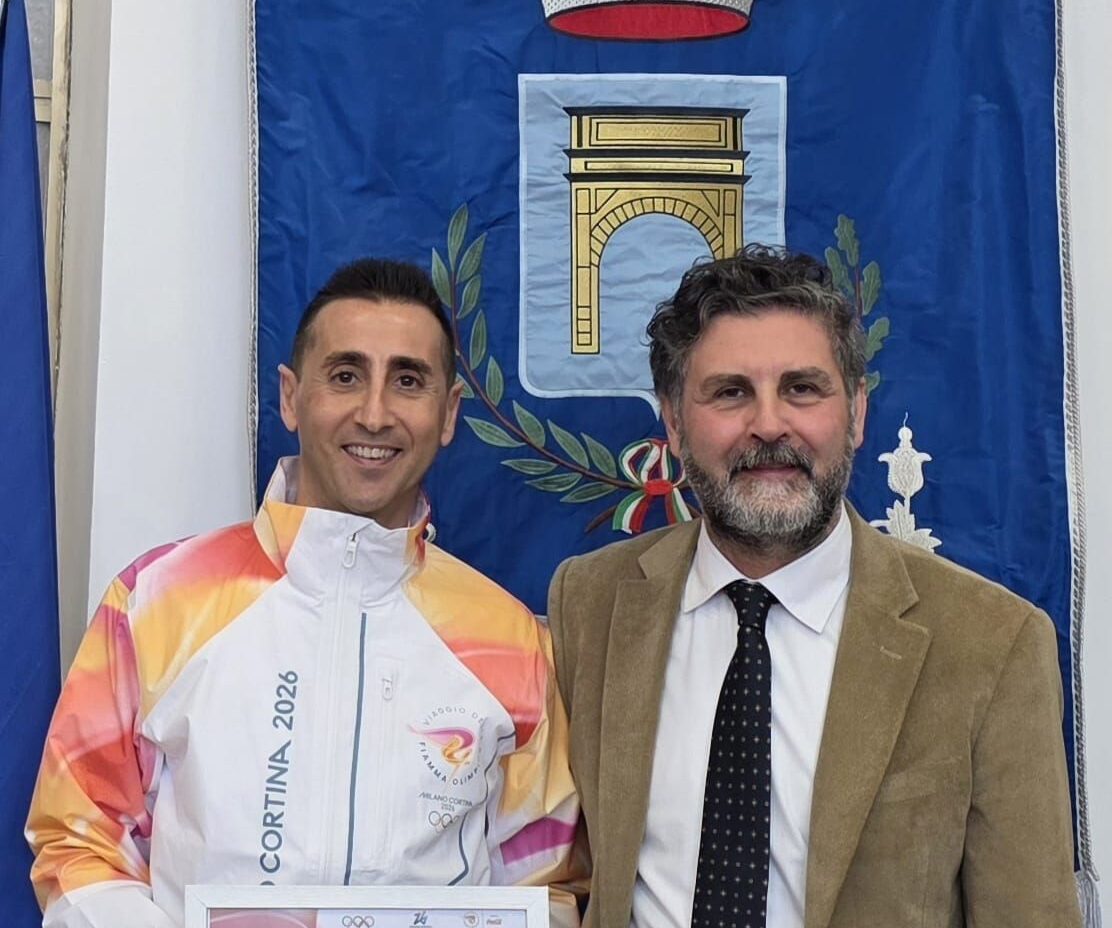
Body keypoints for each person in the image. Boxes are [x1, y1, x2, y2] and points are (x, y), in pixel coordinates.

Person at [27, 259, 582, 928]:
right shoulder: (157, 598)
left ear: (448, 412)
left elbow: (546, 888)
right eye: (345, 376)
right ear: (291, 398)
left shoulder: (512, 640)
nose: (374, 414)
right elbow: (77, 841)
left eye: (408, 380)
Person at [547, 246, 1081, 928]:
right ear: (675, 423)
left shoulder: (992, 643)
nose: (770, 424)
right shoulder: (590, 602)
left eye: (802, 389)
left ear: (855, 413)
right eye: (730, 392)